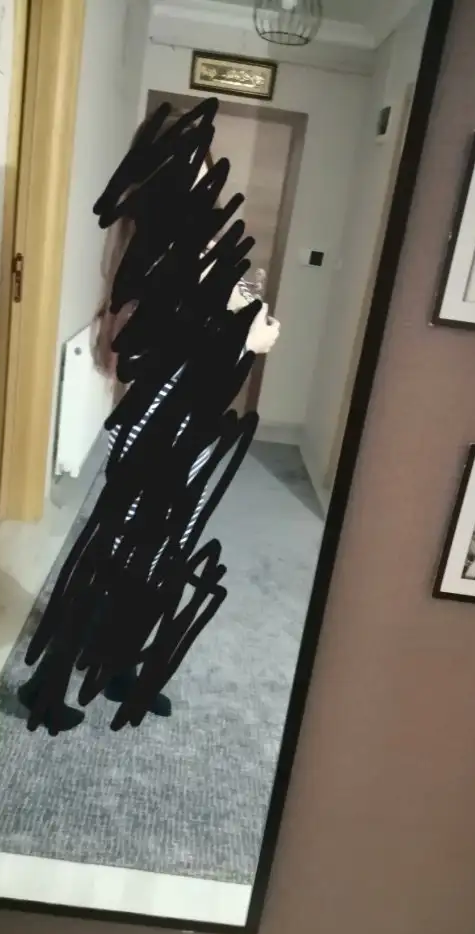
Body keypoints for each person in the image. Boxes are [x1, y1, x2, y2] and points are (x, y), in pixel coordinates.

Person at [89, 108, 281, 719]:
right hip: (159, 420)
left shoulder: (205, 247)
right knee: (140, 538)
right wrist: (238, 334)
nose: (200, 183)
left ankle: (113, 648)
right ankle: (109, 657)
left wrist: (248, 316)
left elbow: (241, 315)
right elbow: (126, 350)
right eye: (189, 169)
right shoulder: (149, 251)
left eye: (203, 170)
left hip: (189, 417)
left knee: (158, 538)